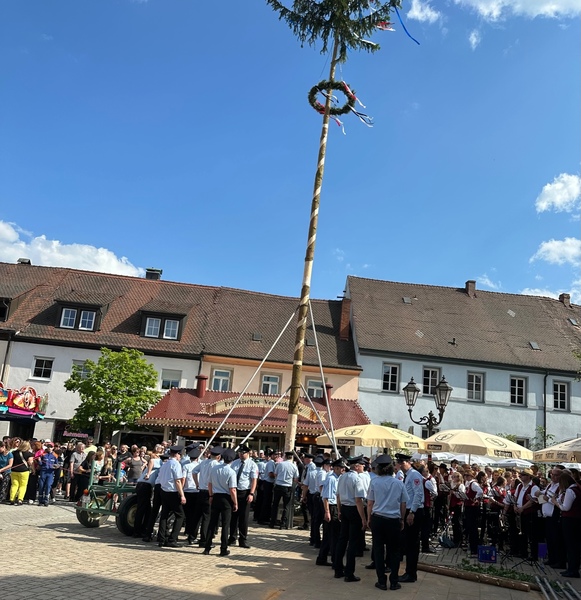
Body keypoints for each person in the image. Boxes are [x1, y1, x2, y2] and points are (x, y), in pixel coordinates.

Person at [367, 454, 409, 591]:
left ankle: (381, 581)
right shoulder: (399, 483)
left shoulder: (374, 482)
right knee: (394, 551)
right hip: (393, 520)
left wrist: (368, 518)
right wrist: (402, 519)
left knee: (378, 550)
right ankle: (394, 581)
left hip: (378, 518)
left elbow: (370, 503)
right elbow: (403, 504)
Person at [335, 456, 367, 583]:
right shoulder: (357, 478)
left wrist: (339, 510)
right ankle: (349, 573)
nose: (363, 467)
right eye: (362, 465)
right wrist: (363, 519)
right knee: (353, 542)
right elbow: (358, 500)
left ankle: (338, 569)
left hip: (344, 507)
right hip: (354, 510)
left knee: (342, 540)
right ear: (357, 466)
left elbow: (338, 496)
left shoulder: (342, 477)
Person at [396, 454, 424, 584]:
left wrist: (412, 512)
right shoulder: (408, 476)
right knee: (408, 542)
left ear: (408, 462)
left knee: (412, 543)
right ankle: (409, 571)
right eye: (399, 462)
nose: (400, 465)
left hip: (414, 510)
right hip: (409, 509)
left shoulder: (414, 475)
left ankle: (411, 573)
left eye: (402, 462)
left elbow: (418, 494)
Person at [204, 447, 238, 557]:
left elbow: (209, 484)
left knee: (212, 523)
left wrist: (210, 495)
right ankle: (223, 548)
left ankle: (207, 547)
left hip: (215, 496)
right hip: (226, 499)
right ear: (232, 460)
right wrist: (235, 502)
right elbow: (232, 489)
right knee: (225, 524)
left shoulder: (215, 469)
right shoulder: (231, 472)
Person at [192, 446, 222, 547]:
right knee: (206, 517)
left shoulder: (204, 462)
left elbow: (194, 471)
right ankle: (204, 539)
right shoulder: (216, 464)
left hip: (201, 490)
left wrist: (197, 483)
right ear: (218, 456)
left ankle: (192, 536)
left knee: (197, 515)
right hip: (209, 492)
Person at [229, 444, 258, 549]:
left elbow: (254, 480)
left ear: (248, 453)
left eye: (243, 453)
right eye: (240, 453)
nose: (241, 455)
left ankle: (243, 539)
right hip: (234, 491)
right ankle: (232, 537)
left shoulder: (252, 465)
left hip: (245, 492)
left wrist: (251, 493)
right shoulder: (235, 463)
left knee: (244, 518)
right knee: (233, 516)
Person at [552, 471, 581, 578]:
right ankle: (572, 568)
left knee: (572, 546)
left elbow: (565, 507)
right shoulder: (575, 489)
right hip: (574, 520)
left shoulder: (571, 491)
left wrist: (555, 502)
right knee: (573, 546)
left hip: (570, 520)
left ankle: (573, 570)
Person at [317, 458, 345, 568]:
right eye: (341, 468)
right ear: (336, 468)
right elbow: (326, 497)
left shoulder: (339, 478)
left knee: (329, 535)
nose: (343, 469)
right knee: (334, 536)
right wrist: (327, 512)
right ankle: (335, 561)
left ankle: (322, 558)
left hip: (335, 506)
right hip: (331, 507)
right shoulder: (331, 479)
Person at [156, 445, 186, 548]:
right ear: (177, 454)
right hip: (172, 492)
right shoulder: (176, 464)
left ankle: (161, 538)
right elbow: (178, 480)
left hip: (164, 490)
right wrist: (182, 495)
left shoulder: (165, 464)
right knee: (180, 515)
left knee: (164, 515)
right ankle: (172, 539)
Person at [513, 468, 540, 561]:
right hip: (520, 512)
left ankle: (534, 555)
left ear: (529, 476)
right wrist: (515, 506)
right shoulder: (520, 486)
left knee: (531, 535)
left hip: (529, 513)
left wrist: (522, 508)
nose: (521, 476)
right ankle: (523, 552)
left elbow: (533, 501)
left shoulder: (534, 487)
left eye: (523, 475)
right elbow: (515, 497)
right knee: (522, 533)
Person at [270, 451, 299, 530]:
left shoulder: (280, 464)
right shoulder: (294, 466)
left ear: (285, 456)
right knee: (286, 506)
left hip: (278, 485)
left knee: (275, 504)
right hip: (287, 487)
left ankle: (272, 522)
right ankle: (283, 524)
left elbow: (275, 474)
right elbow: (296, 478)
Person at [182, 446, 202, 544]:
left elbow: (183, 479)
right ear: (197, 458)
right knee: (195, 514)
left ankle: (188, 530)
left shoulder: (185, 466)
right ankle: (193, 533)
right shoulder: (201, 465)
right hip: (197, 491)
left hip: (187, 491)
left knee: (188, 514)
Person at [463, 470, 483, 556]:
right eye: (465, 475)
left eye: (468, 475)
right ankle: (472, 547)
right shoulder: (468, 484)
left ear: (472, 476)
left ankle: (474, 548)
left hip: (472, 508)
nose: (466, 477)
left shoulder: (473, 484)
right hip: (468, 507)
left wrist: (475, 498)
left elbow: (480, 491)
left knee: (473, 528)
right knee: (470, 527)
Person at [9, 440, 34, 505]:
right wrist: (33, 470)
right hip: (24, 471)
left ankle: (12, 498)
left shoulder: (14, 452)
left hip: (14, 470)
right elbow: (30, 463)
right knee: (23, 486)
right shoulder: (29, 454)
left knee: (14, 485)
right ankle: (20, 499)